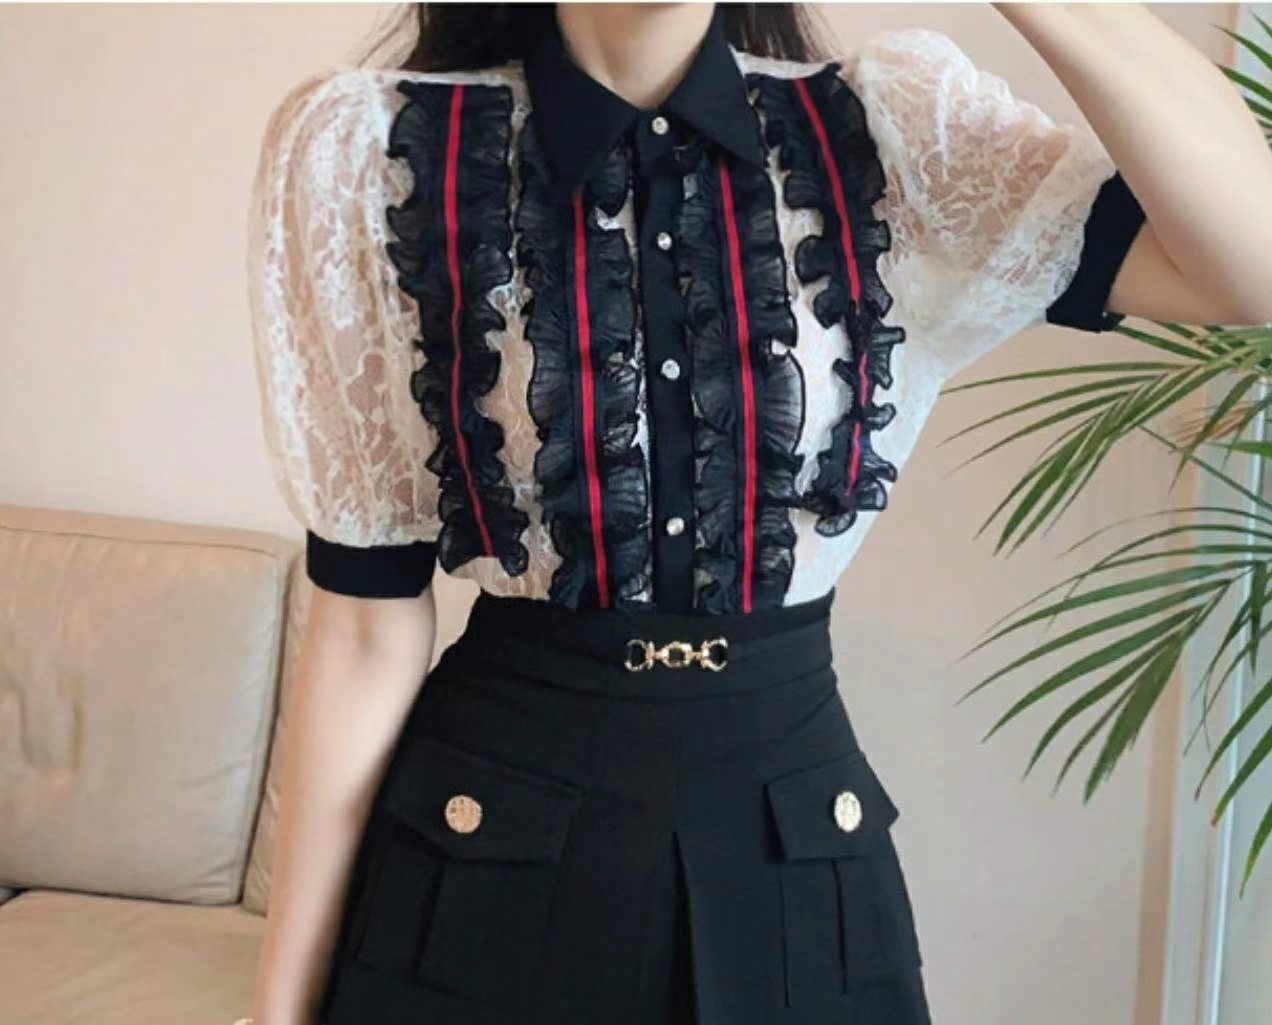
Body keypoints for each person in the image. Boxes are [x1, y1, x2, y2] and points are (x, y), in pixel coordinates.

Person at [241, 4, 1272, 1024]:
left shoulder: (891, 138)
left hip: (796, 854)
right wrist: (278, 1005)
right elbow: (367, 626)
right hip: (482, 850)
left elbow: (1253, 269)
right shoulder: (380, 151)